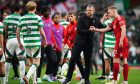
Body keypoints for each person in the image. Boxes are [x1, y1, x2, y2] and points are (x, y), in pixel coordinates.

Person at [62, 4, 104, 84]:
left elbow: (102, 27)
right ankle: (68, 78)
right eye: (87, 10)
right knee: (72, 59)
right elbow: (79, 30)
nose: (88, 12)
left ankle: (86, 80)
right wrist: (90, 30)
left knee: (88, 62)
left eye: (90, 10)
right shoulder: (81, 18)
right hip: (79, 43)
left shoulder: (96, 19)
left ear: (93, 11)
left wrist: (112, 27)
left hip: (89, 44)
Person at [89, 6, 129, 84]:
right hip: (121, 41)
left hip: (121, 42)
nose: (109, 14)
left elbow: (124, 29)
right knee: (123, 61)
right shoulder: (114, 21)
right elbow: (105, 29)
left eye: (110, 12)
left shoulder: (120, 18)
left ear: (114, 11)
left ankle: (114, 81)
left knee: (117, 60)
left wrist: (120, 41)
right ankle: (124, 81)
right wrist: (95, 29)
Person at [16, 1, 47, 84]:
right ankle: (27, 77)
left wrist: (19, 42)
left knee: (31, 63)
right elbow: (41, 30)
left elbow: (17, 32)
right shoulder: (38, 18)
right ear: (35, 8)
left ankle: (34, 81)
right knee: (37, 63)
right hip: (35, 42)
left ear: (27, 8)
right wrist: (45, 39)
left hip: (26, 43)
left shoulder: (22, 18)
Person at [4, 4, 26, 84]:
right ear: (20, 10)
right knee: (21, 60)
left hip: (10, 40)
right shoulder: (23, 18)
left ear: (13, 10)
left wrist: (7, 35)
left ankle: (5, 80)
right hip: (20, 39)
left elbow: (5, 29)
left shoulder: (7, 18)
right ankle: (22, 79)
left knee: (7, 60)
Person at [38, 6, 56, 83]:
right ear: (42, 13)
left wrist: (54, 42)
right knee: (40, 60)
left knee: (52, 59)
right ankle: (37, 77)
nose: (48, 13)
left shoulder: (50, 20)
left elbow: (51, 33)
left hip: (49, 43)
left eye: (49, 11)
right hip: (41, 43)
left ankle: (46, 75)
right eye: (46, 12)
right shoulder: (39, 19)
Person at [51, 12, 65, 80]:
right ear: (52, 19)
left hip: (59, 48)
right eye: (55, 18)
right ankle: (50, 74)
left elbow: (64, 37)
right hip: (52, 47)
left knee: (57, 62)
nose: (57, 19)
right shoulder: (51, 27)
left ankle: (54, 76)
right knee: (53, 61)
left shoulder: (62, 27)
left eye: (58, 17)